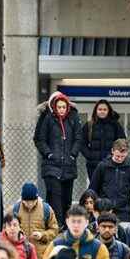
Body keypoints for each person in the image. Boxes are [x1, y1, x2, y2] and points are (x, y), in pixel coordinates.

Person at [33, 91, 83, 228]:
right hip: (52, 165)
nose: (61, 110)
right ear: (54, 106)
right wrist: (49, 154)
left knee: (66, 197)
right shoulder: (47, 118)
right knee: (56, 196)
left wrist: (73, 154)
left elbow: (79, 138)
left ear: (67, 107)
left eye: (63, 107)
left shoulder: (73, 118)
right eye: (59, 107)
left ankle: (66, 225)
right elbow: (40, 139)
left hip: (68, 165)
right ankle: (58, 225)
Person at [90, 138, 130, 226]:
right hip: (104, 209)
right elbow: (93, 188)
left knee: (123, 235)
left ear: (127, 153)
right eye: (117, 156)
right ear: (112, 151)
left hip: (124, 211)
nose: (119, 159)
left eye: (122, 156)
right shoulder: (102, 166)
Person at [12, 182, 60, 259]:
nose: (29, 204)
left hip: (40, 258)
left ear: (37, 198)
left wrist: (42, 235)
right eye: (26, 201)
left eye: (32, 201)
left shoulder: (46, 209)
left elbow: (54, 230)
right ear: (22, 199)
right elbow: (9, 229)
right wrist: (19, 234)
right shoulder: (15, 209)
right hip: (21, 256)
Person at [80, 99, 126, 182]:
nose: (102, 112)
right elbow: (81, 142)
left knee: (109, 190)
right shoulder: (89, 125)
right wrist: (89, 155)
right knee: (95, 190)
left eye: (105, 109)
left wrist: (115, 156)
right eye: (100, 109)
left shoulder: (115, 125)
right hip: (93, 165)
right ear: (96, 111)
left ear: (108, 111)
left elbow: (122, 142)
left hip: (111, 164)